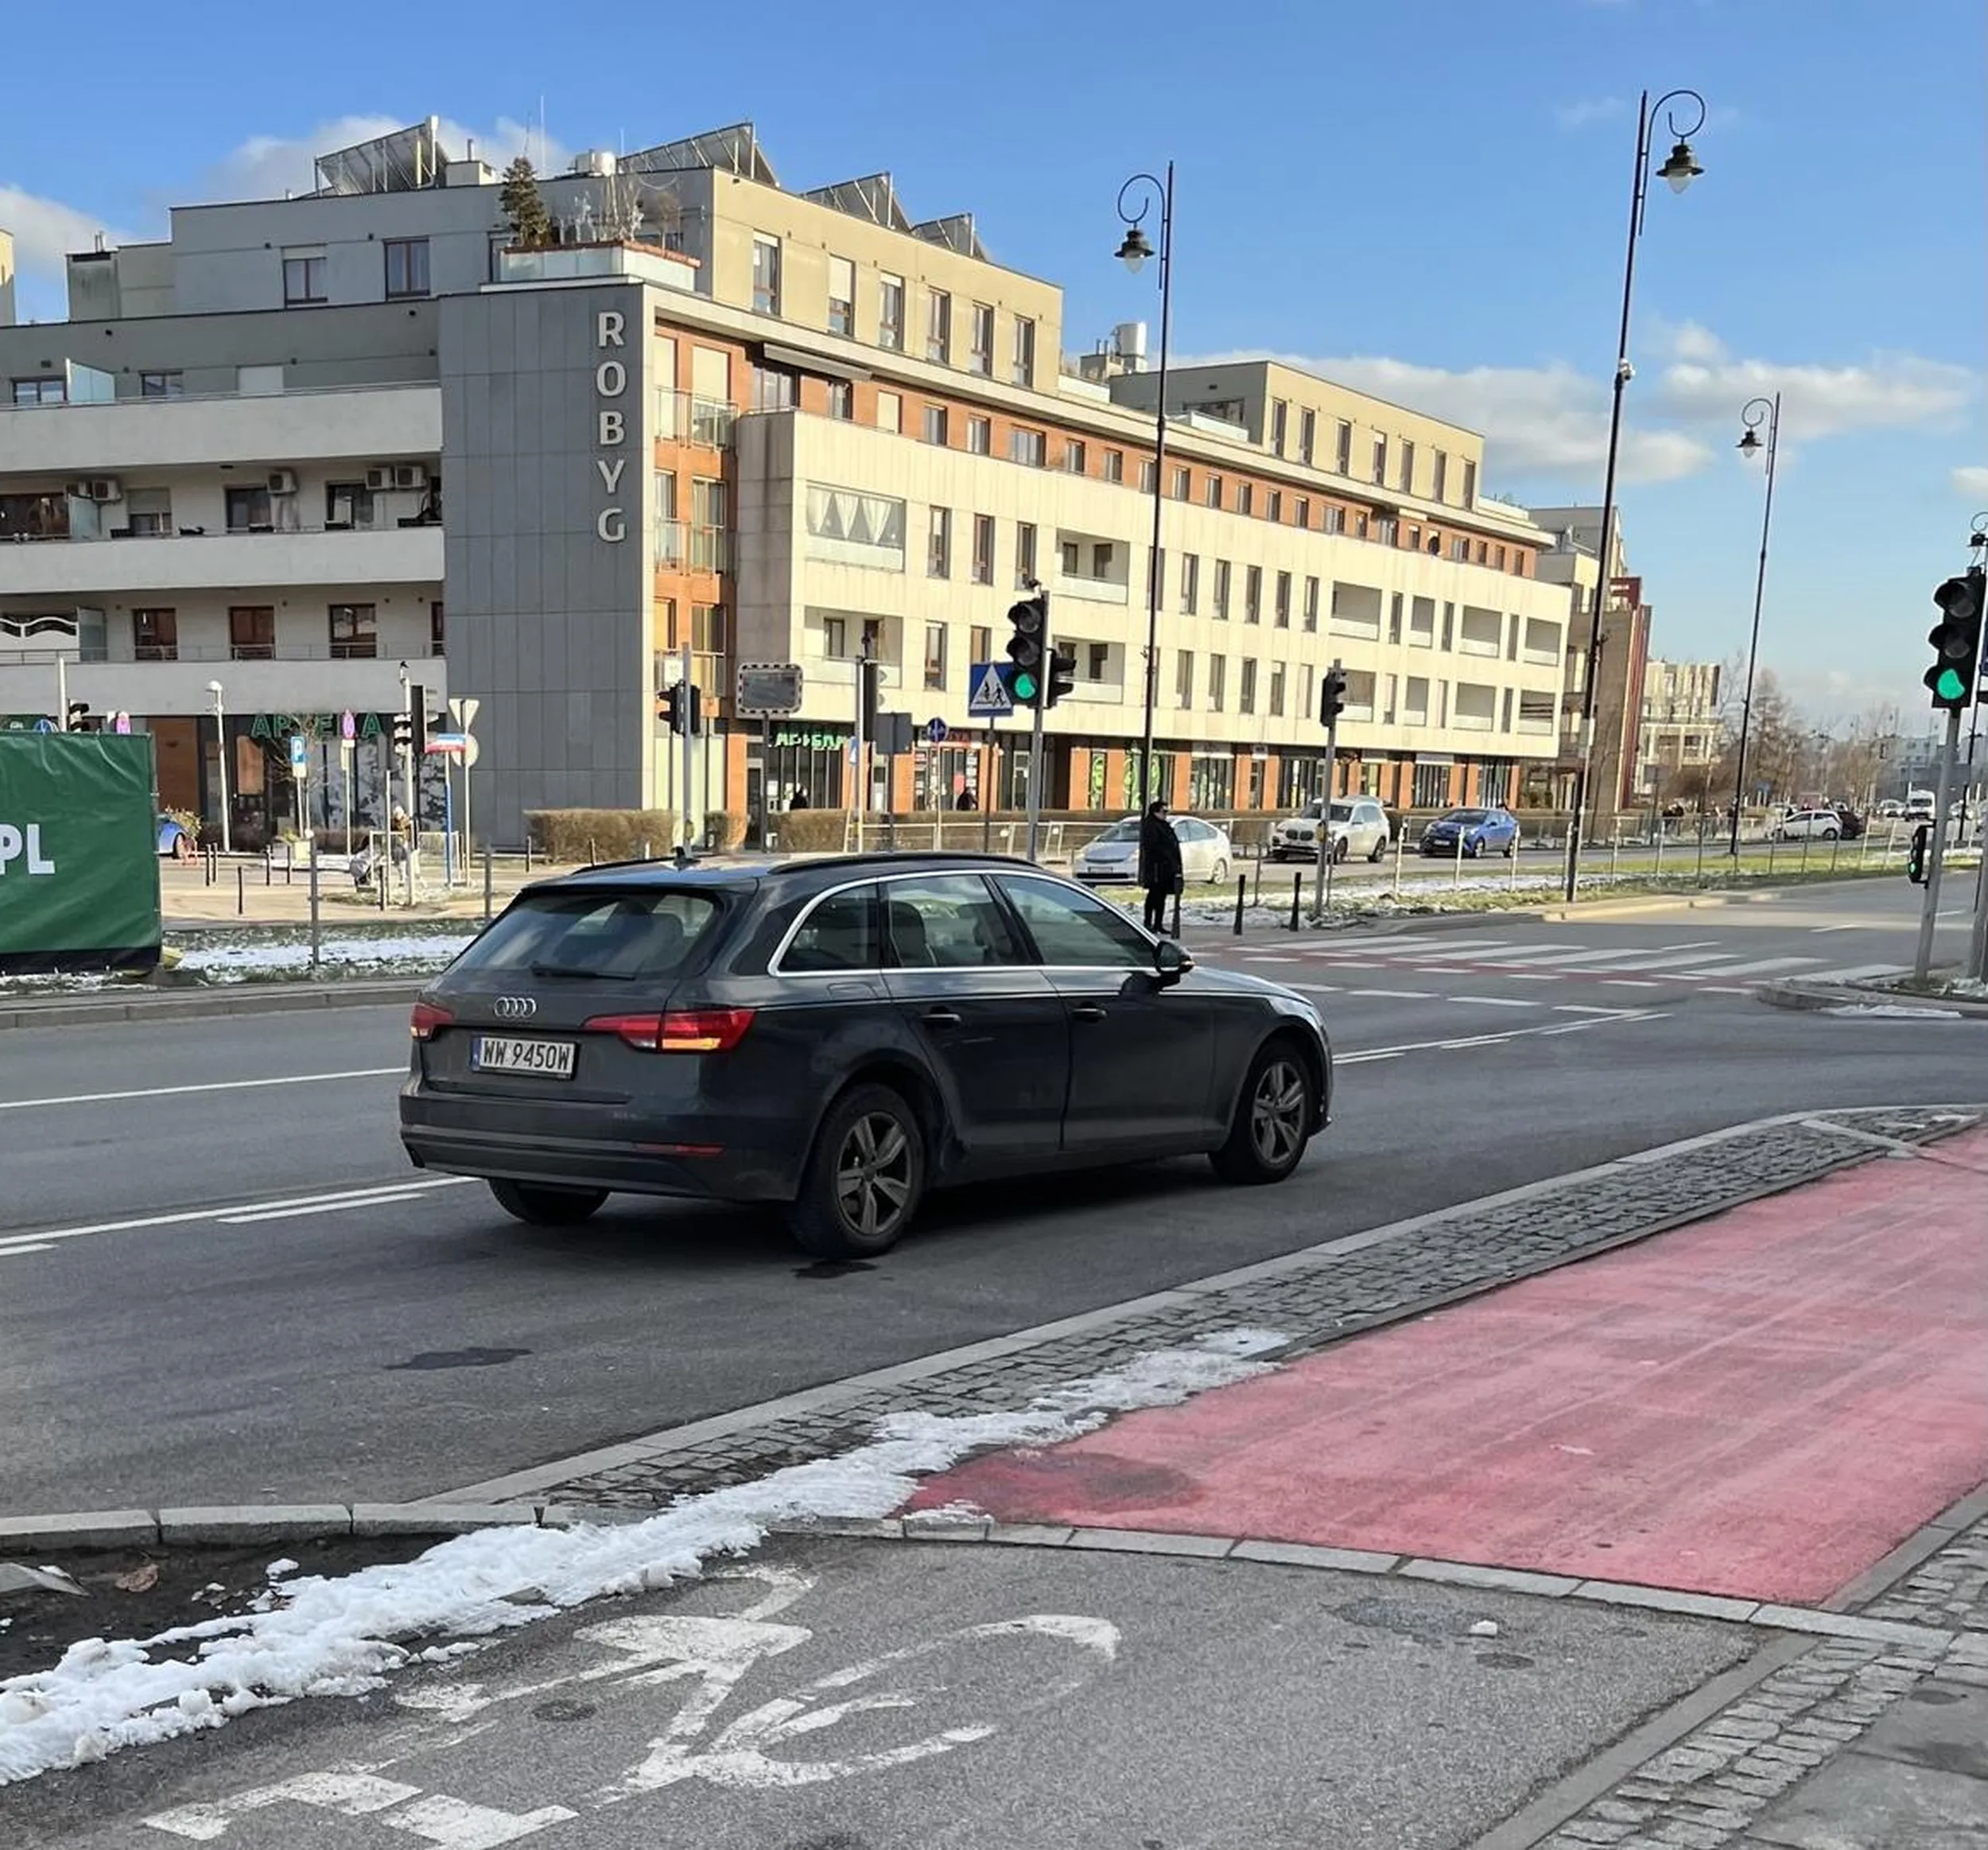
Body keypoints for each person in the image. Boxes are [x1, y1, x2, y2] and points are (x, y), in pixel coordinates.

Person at [1137, 799, 1182, 935]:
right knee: (1154, 896)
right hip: (1156, 868)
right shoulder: (1150, 825)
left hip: (1166, 868)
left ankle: (1158, 923)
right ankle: (1148, 922)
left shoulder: (1164, 825)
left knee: (1161, 896)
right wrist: (1166, 855)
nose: (1166, 814)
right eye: (1163, 811)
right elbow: (1152, 846)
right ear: (1155, 812)